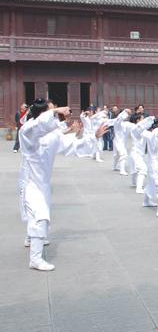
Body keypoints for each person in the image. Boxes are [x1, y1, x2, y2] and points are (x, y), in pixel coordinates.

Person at [19, 99, 108, 270]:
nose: (57, 115)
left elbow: (72, 146)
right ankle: (35, 259)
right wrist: (55, 111)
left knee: (38, 215)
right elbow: (37, 126)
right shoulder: (27, 131)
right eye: (52, 112)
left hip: (43, 182)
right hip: (30, 182)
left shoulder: (53, 135)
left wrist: (93, 137)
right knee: (40, 216)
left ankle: (31, 239)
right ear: (42, 114)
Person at [129, 114, 156, 193]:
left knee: (134, 170)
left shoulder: (143, 131)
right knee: (143, 169)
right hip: (135, 153)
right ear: (138, 120)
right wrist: (149, 119)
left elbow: (151, 136)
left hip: (137, 154)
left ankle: (134, 183)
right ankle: (139, 188)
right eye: (142, 119)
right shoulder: (135, 129)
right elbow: (140, 126)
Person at [112, 108, 136, 176]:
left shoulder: (128, 124)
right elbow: (120, 118)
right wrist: (125, 111)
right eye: (127, 114)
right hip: (117, 141)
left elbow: (136, 128)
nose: (128, 115)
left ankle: (114, 166)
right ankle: (122, 170)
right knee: (123, 154)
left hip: (123, 142)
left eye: (129, 114)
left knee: (117, 155)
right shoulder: (117, 122)